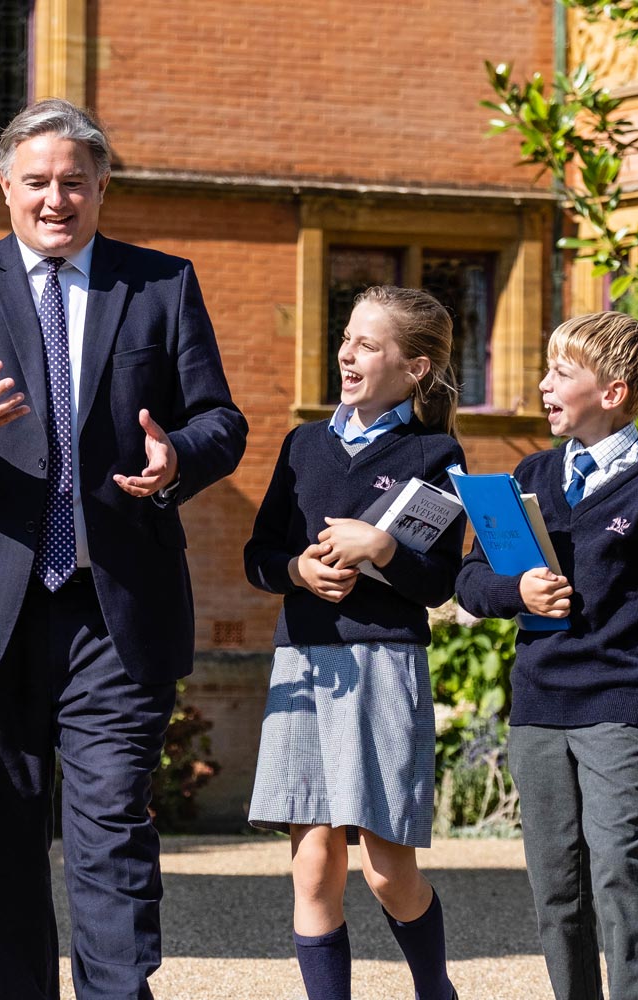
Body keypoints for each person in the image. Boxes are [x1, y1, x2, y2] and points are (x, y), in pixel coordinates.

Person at [0, 98, 247, 1000]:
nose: (55, 200)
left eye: (73, 183)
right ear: (5, 187)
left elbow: (221, 422)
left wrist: (178, 460)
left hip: (113, 611)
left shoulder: (161, 285)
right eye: (36, 182)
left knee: (113, 828)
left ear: (101, 188)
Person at [455, 310, 638, 1000]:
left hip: (617, 709)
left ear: (612, 392)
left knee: (617, 874)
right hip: (537, 710)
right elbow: (471, 582)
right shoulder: (531, 474)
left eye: (561, 374)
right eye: (545, 371)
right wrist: (518, 590)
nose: (544, 385)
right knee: (557, 887)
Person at [244, 286, 466, 1000]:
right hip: (302, 662)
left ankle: (436, 991)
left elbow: (436, 584)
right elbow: (258, 555)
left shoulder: (436, 452)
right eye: (347, 338)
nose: (347, 353)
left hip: (384, 663)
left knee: (385, 872)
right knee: (311, 868)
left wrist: (382, 548)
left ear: (417, 369)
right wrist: (296, 570)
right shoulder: (303, 443)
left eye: (369, 344)